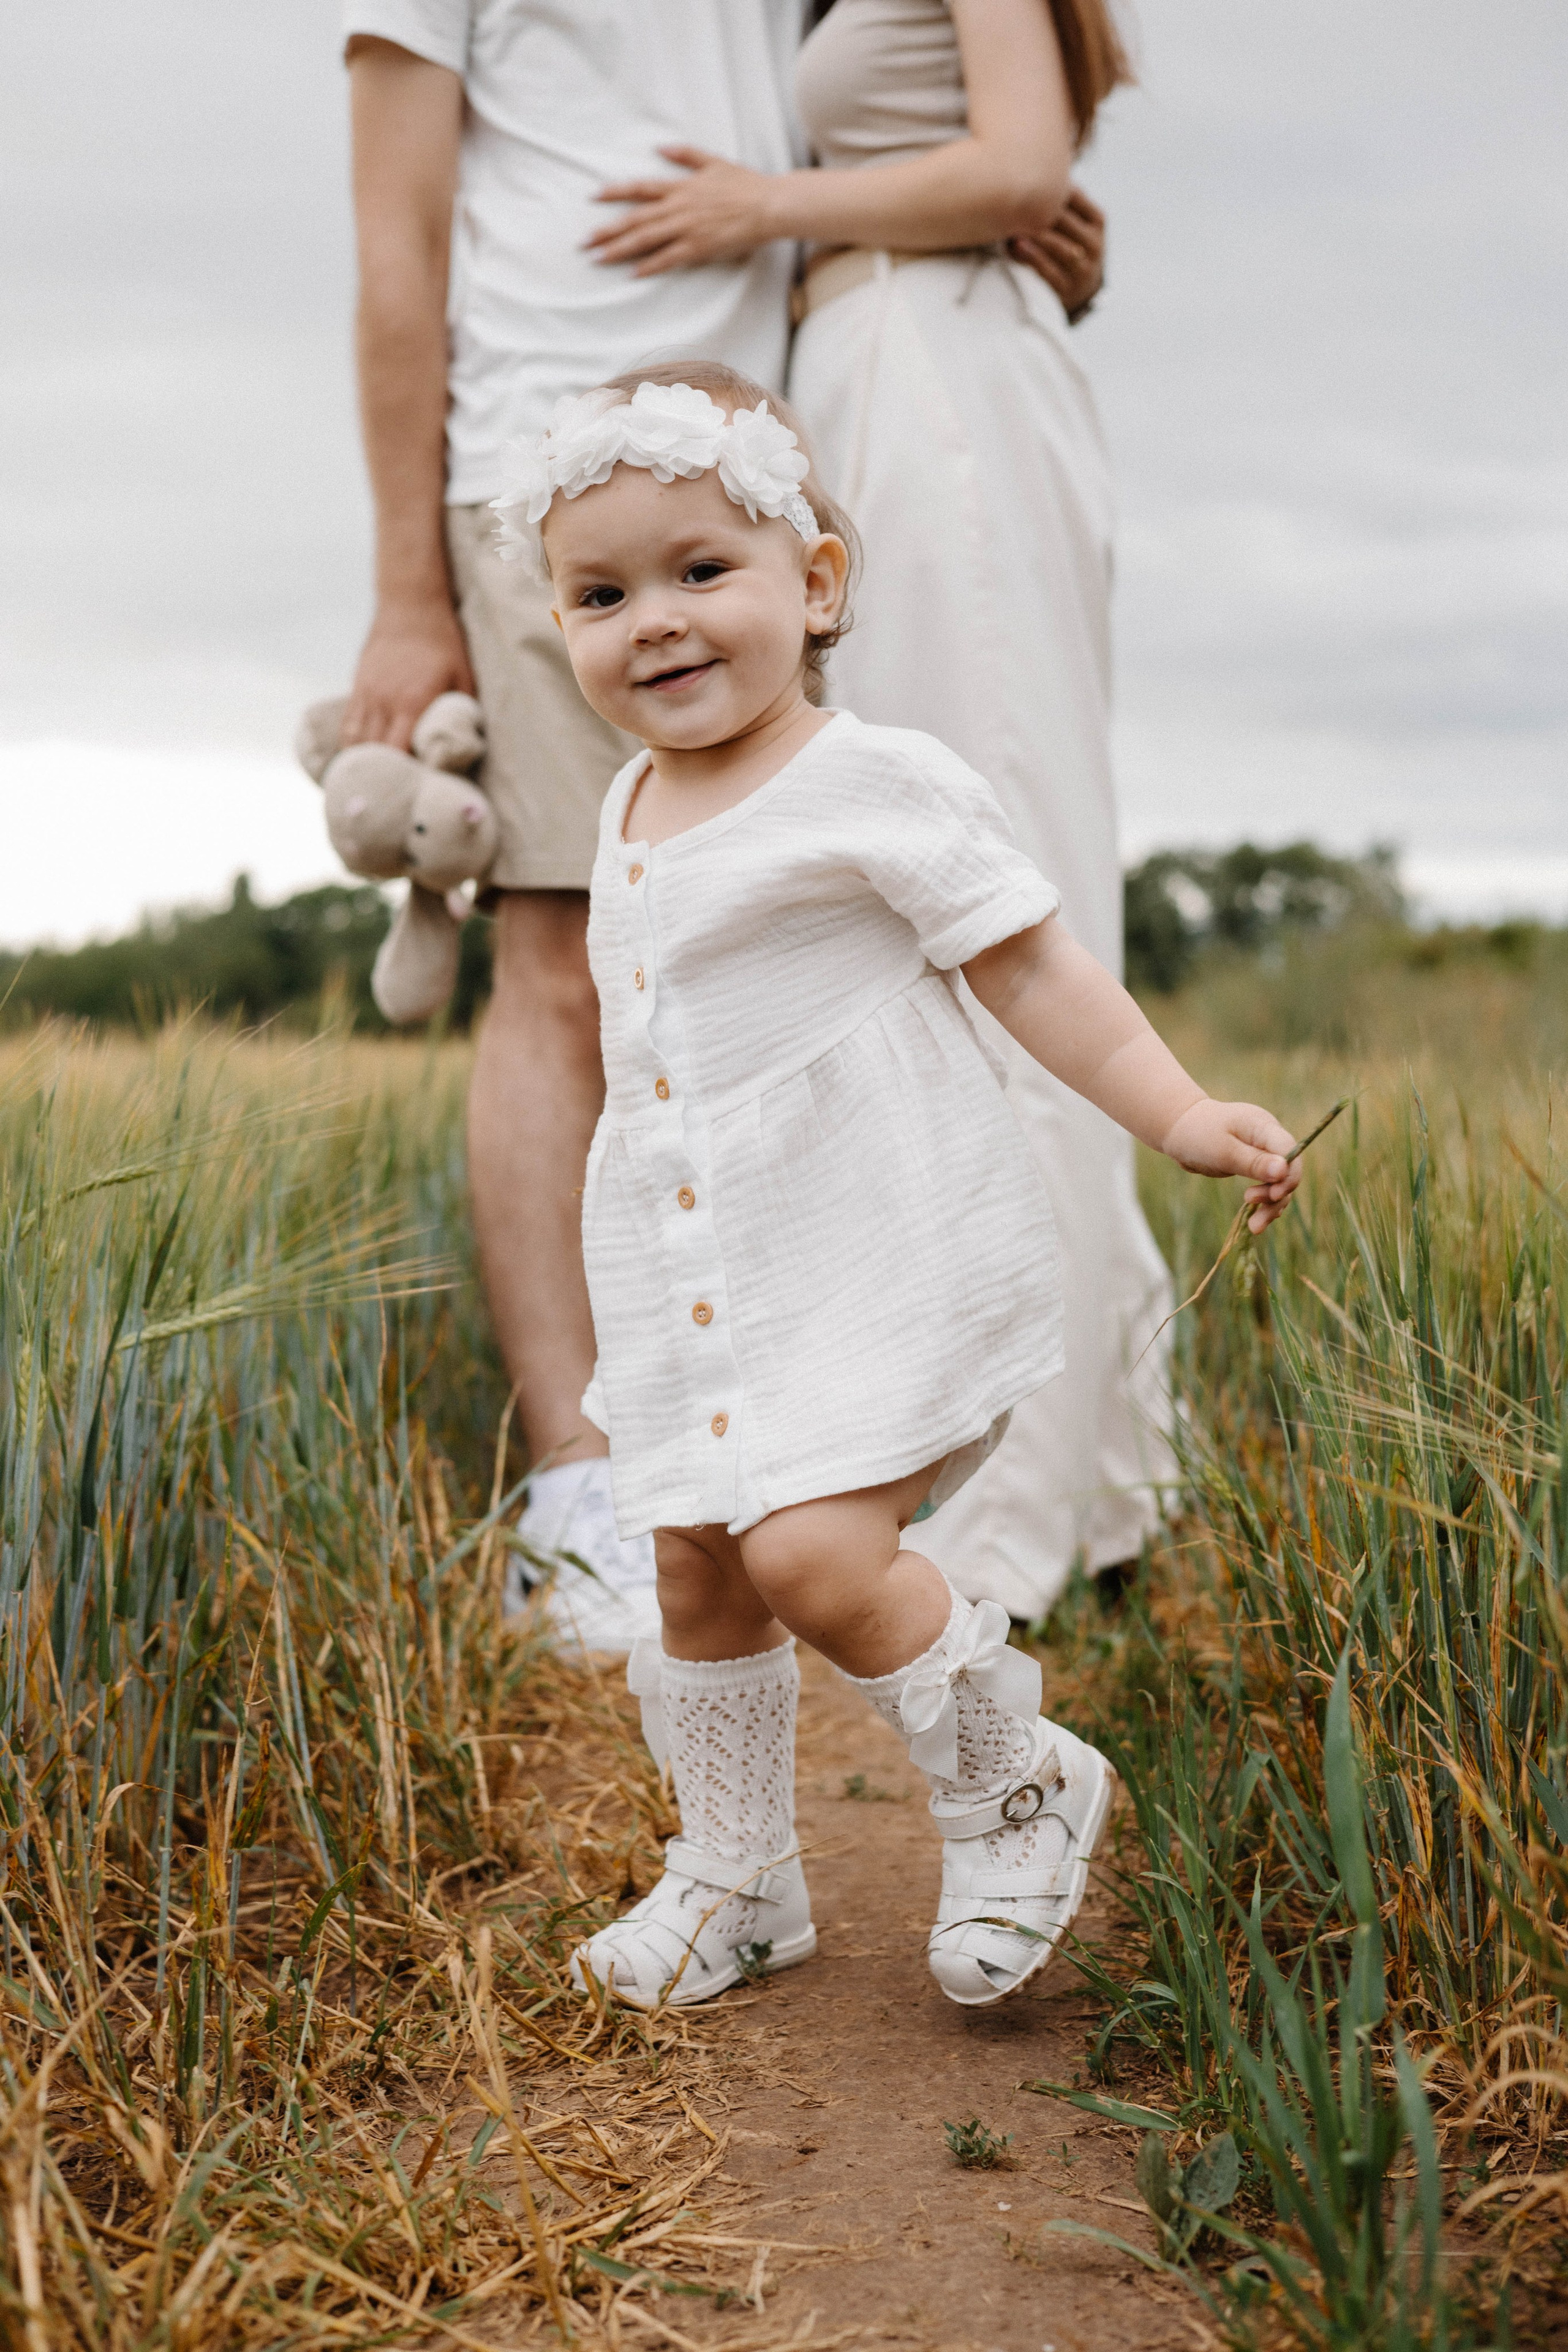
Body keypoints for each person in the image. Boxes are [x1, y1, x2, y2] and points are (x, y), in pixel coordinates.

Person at [491, 364, 1300, 2009]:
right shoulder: (635, 803)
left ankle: (1018, 1785)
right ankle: (739, 1878)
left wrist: (1177, 1108)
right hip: (705, 1270)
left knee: (810, 1560)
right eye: (603, 592)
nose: (654, 619)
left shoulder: (876, 779)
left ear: (818, 583)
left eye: (701, 570)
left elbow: (1036, 967)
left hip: (869, 1249)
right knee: (699, 1569)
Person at [338, 0, 1109, 1648]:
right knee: (564, 965)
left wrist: (982, 206)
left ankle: (775, 1461)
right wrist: (411, 586)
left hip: (763, 471)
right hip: (556, 478)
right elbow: (393, 249)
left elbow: (881, 119)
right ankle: (586, 1491)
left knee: (801, 965)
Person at [583, 0, 1169, 1624]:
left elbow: (1017, 158)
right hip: (885, 361)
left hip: (935, 372)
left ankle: (1018, 1529)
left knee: (993, 893)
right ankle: (1106, 1482)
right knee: (929, 901)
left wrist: (760, 204)